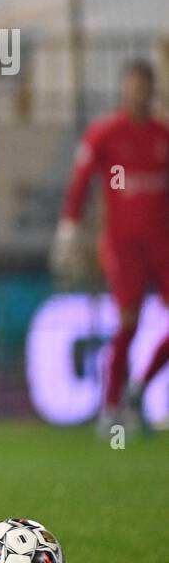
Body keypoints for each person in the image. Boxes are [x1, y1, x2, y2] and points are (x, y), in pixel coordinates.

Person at [53, 59, 169, 435]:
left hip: (162, 243)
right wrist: (70, 228)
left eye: (144, 85)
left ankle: (138, 390)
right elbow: (81, 181)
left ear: (153, 89)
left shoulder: (162, 135)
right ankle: (111, 406)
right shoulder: (105, 134)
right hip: (123, 246)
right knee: (128, 324)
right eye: (132, 85)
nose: (138, 92)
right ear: (123, 89)